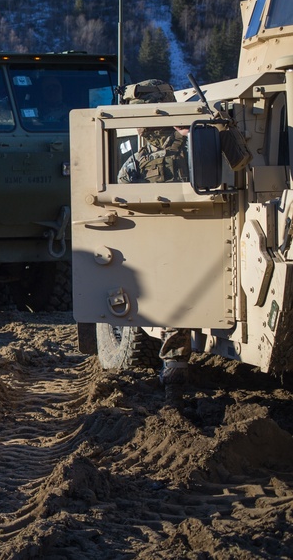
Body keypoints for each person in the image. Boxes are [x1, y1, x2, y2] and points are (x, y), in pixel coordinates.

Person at [116, 80, 191, 406]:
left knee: (174, 306)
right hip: (165, 237)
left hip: (185, 234)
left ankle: (175, 377)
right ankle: (174, 373)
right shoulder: (141, 153)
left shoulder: (189, 139)